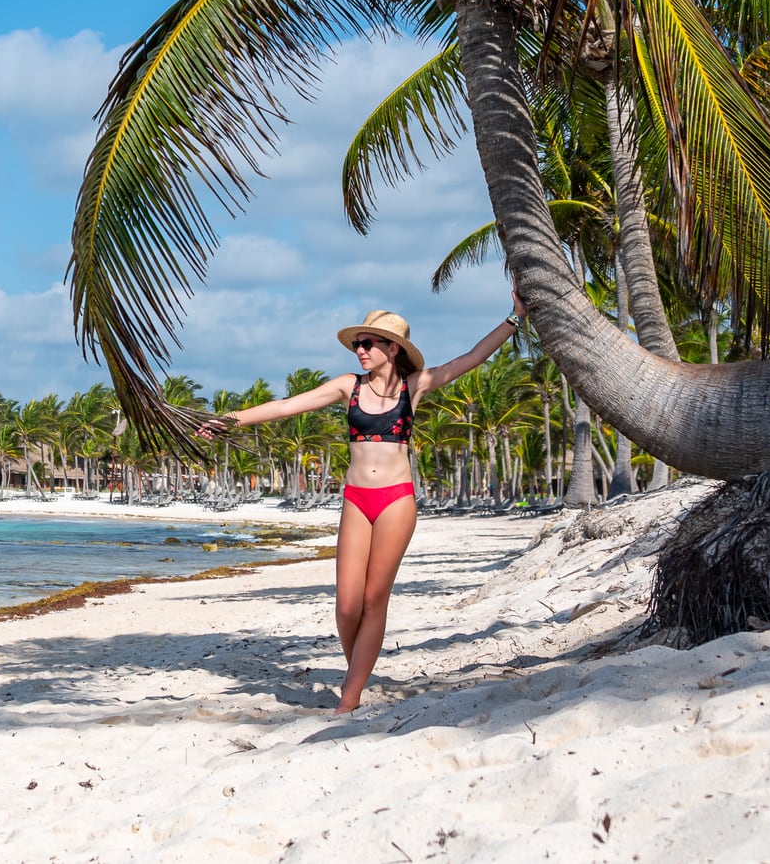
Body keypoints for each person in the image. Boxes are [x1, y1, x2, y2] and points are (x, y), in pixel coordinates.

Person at [199, 292, 527, 712]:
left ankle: (349, 697)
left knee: (375, 600)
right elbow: (286, 407)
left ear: (393, 348)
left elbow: (472, 357)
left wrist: (515, 318)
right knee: (347, 605)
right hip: (356, 499)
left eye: (368, 343)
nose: (360, 350)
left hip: (396, 500)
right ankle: (360, 670)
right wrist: (225, 421)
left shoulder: (416, 385)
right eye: (358, 343)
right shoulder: (347, 387)